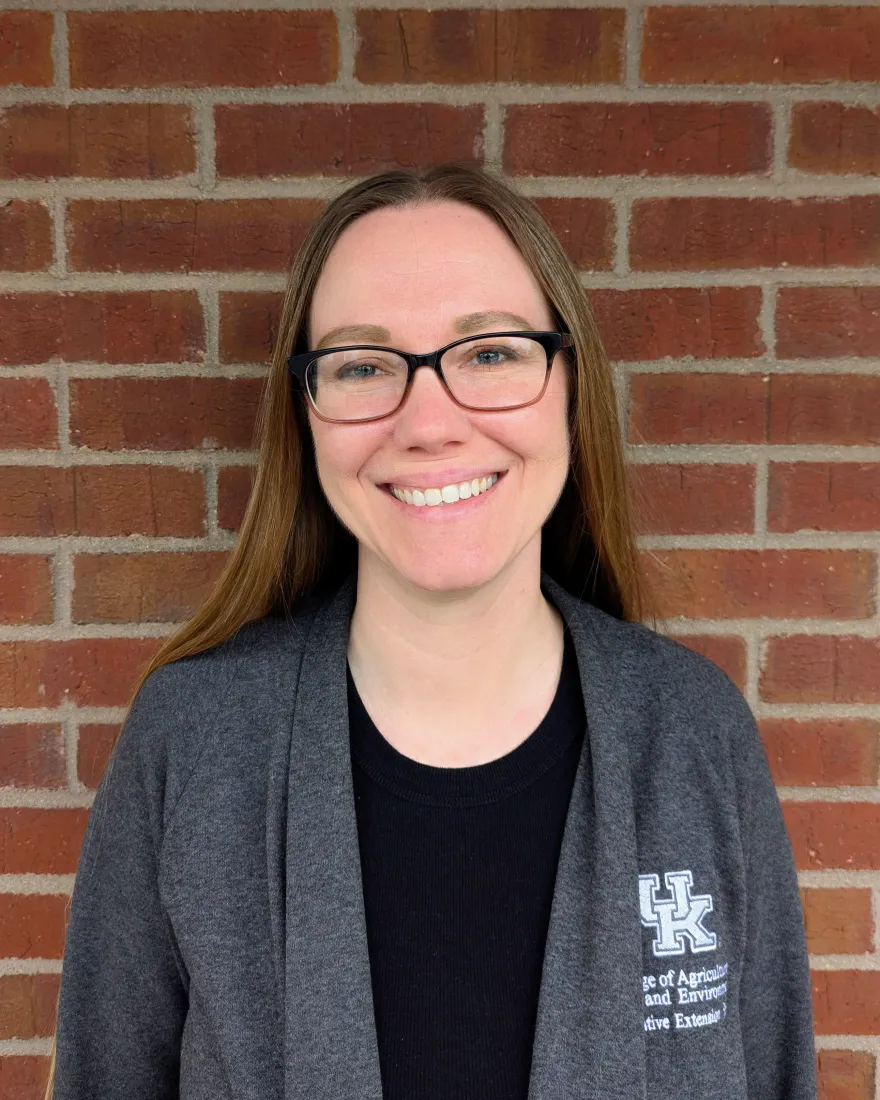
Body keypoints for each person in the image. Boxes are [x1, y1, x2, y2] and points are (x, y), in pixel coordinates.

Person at [47, 164, 816, 1100]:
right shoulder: (195, 744)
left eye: (490, 353)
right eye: (364, 365)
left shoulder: (693, 733)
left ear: (570, 385)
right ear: (309, 415)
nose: (429, 422)